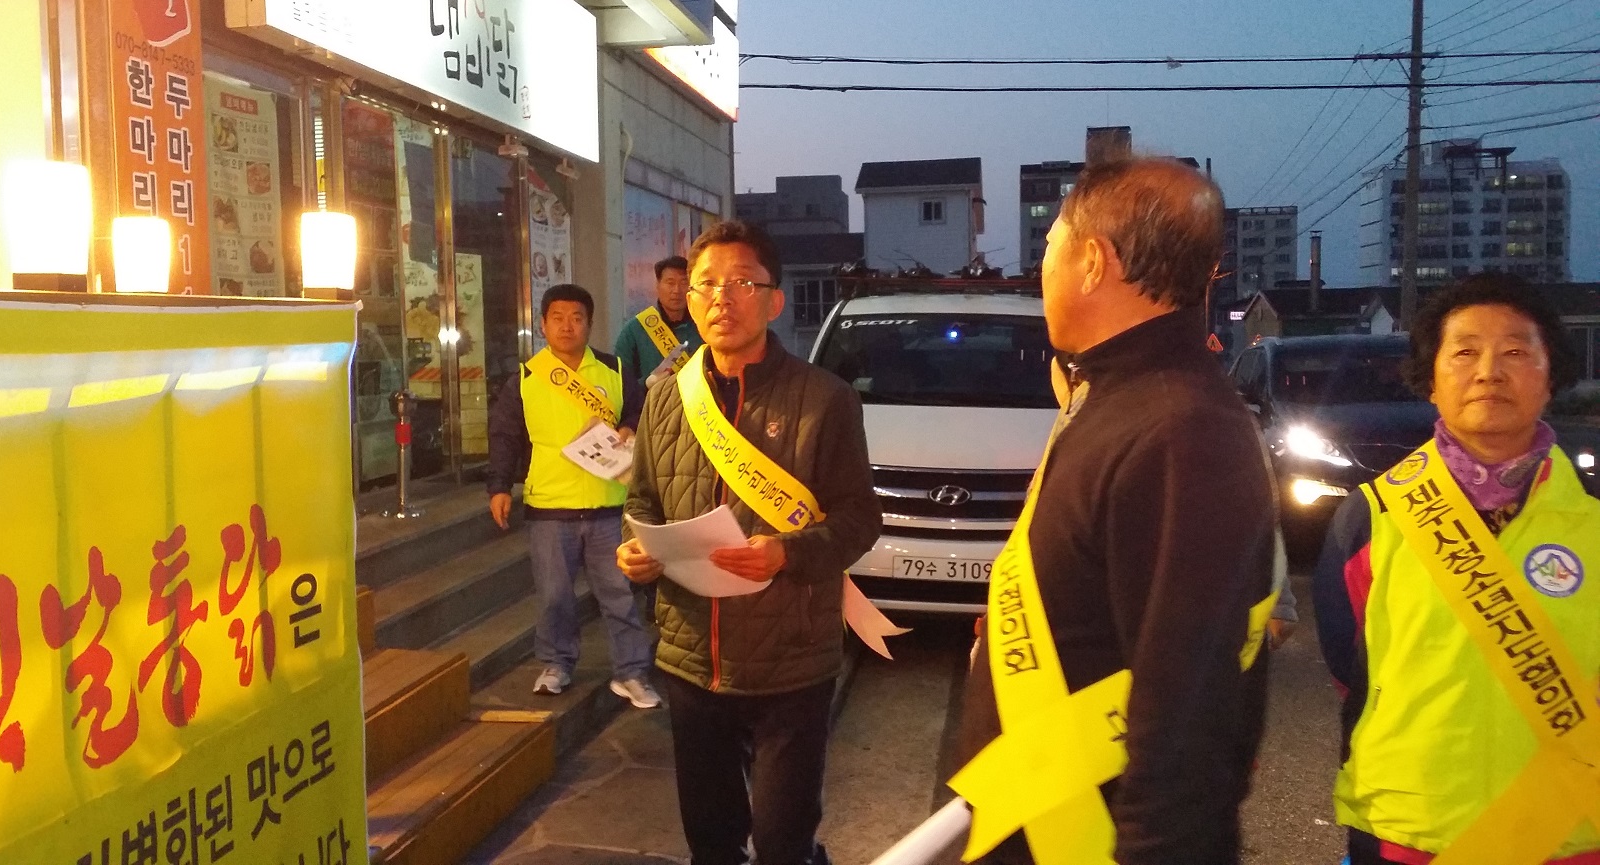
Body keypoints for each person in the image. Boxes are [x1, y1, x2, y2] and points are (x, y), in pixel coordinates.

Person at [951, 157, 1278, 865]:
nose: (1041, 272)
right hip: (1037, 812)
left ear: (1093, 262)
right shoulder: (1120, 399)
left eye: (1047, 250)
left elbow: (1188, 730)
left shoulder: (1179, 429)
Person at [616, 219, 881, 865]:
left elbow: (858, 519)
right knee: (710, 839)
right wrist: (636, 552)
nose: (720, 299)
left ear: (773, 300)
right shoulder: (665, 401)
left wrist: (786, 552)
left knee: (784, 839)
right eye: (706, 283)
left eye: (741, 283)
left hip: (790, 658)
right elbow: (642, 499)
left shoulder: (826, 400)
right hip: (689, 656)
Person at [1313, 272, 1599, 865]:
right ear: (1431, 379)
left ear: (1551, 376)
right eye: (1464, 351)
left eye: (1517, 351)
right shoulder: (1372, 518)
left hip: (1567, 832)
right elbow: (1351, 668)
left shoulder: (1592, 526)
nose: (1489, 371)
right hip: (1407, 833)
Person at [486, 283, 661, 709]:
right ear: (543, 324)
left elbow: (641, 408)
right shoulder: (525, 378)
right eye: (558, 318)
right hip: (550, 506)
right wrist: (498, 486)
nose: (568, 326)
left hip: (609, 503)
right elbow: (506, 435)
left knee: (619, 594)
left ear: (589, 323)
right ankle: (556, 664)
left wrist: (627, 426)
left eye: (577, 318)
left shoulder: (615, 370)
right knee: (553, 596)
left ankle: (632, 673)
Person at [614, 255, 701, 386]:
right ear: (657, 285)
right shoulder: (634, 330)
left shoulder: (702, 326)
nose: (677, 290)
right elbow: (620, 386)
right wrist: (647, 384)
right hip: (651, 404)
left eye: (684, 283)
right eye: (670, 283)